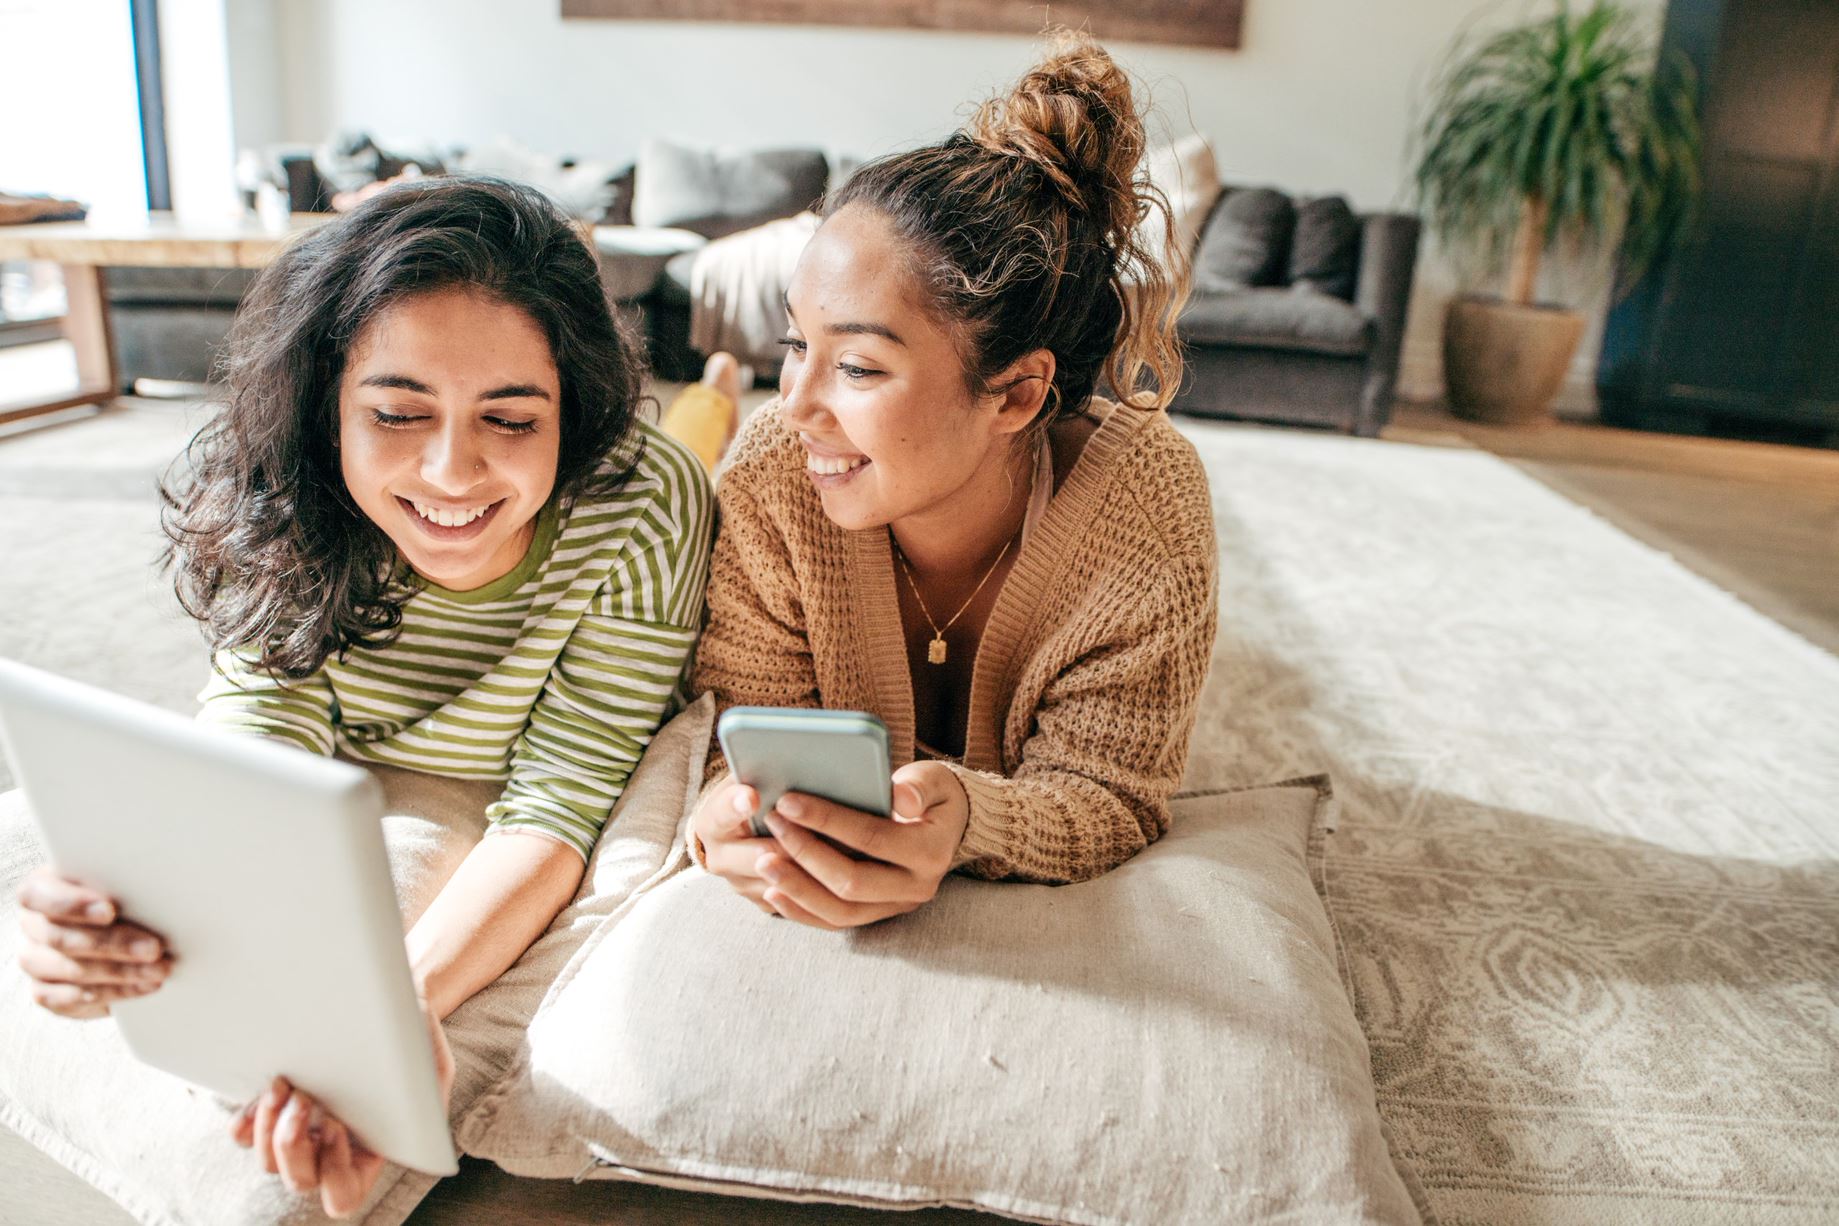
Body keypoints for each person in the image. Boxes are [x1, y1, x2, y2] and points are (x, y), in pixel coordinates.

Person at [11, 176, 717, 1216]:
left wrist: (381, 1020)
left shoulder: (642, 500)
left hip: (650, 512)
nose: (451, 470)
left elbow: (557, 800)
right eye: (395, 411)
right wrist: (126, 914)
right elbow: (254, 743)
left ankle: (722, 389)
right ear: (326, 401)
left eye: (513, 418)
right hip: (359, 737)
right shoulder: (283, 487)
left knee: (707, 430)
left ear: (573, 410)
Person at [688, 31, 1219, 928]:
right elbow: (734, 729)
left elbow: (1112, 793)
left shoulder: (1144, 511)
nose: (797, 404)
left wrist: (975, 818)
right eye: (793, 346)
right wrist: (723, 815)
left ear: (1014, 394)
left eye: (856, 367)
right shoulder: (773, 472)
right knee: (688, 442)